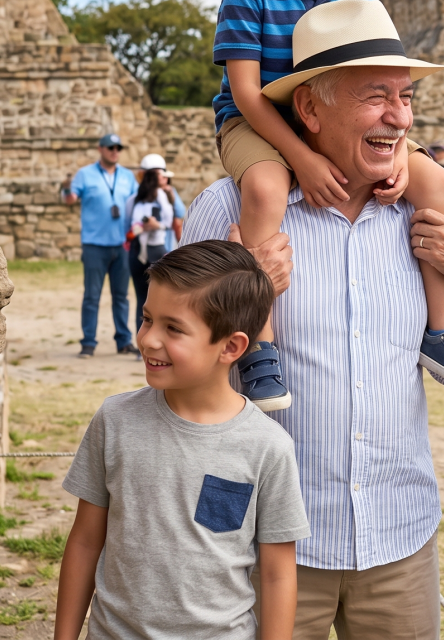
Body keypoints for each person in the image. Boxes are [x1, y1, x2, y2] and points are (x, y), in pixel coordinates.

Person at [182, 3, 444, 640]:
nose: (399, 117)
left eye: (405, 98)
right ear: (311, 111)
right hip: (259, 539)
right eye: (375, 96)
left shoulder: (425, 214)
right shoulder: (229, 209)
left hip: (397, 533)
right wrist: (246, 298)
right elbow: (172, 369)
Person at [209, 0, 444, 411]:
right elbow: (248, 93)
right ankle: (262, 342)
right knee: (265, 186)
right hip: (258, 122)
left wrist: (400, 155)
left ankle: (442, 329)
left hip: (337, 122)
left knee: (435, 180)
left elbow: (381, 84)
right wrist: (301, 155)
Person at [54, 240, 309, 640]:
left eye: (173, 328)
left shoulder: (268, 447)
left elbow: (278, 575)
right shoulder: (115, 419)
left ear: (231, 346)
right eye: (147, 319)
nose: (149, 339)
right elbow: (86, 541)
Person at [62, 133, 139, 357]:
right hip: (94, 244)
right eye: (110, 147)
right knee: (92, 296)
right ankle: (88, 342)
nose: (115, 151)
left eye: (118, 147)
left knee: (121, 296)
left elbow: (137, 203)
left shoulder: (127, 176)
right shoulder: (85, 174)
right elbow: (70, 199)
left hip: (122, 244)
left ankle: (124, 341)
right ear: (101, 149)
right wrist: (67, 189)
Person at [124, 154, 181, 347]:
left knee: (158, 299)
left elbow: (176, 218)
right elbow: (129, 229)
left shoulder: (166, 196)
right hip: (143, 250)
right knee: (144, 298)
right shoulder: (134, 200)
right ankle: (146, 343)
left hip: (159, 250)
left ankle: (156, 341)